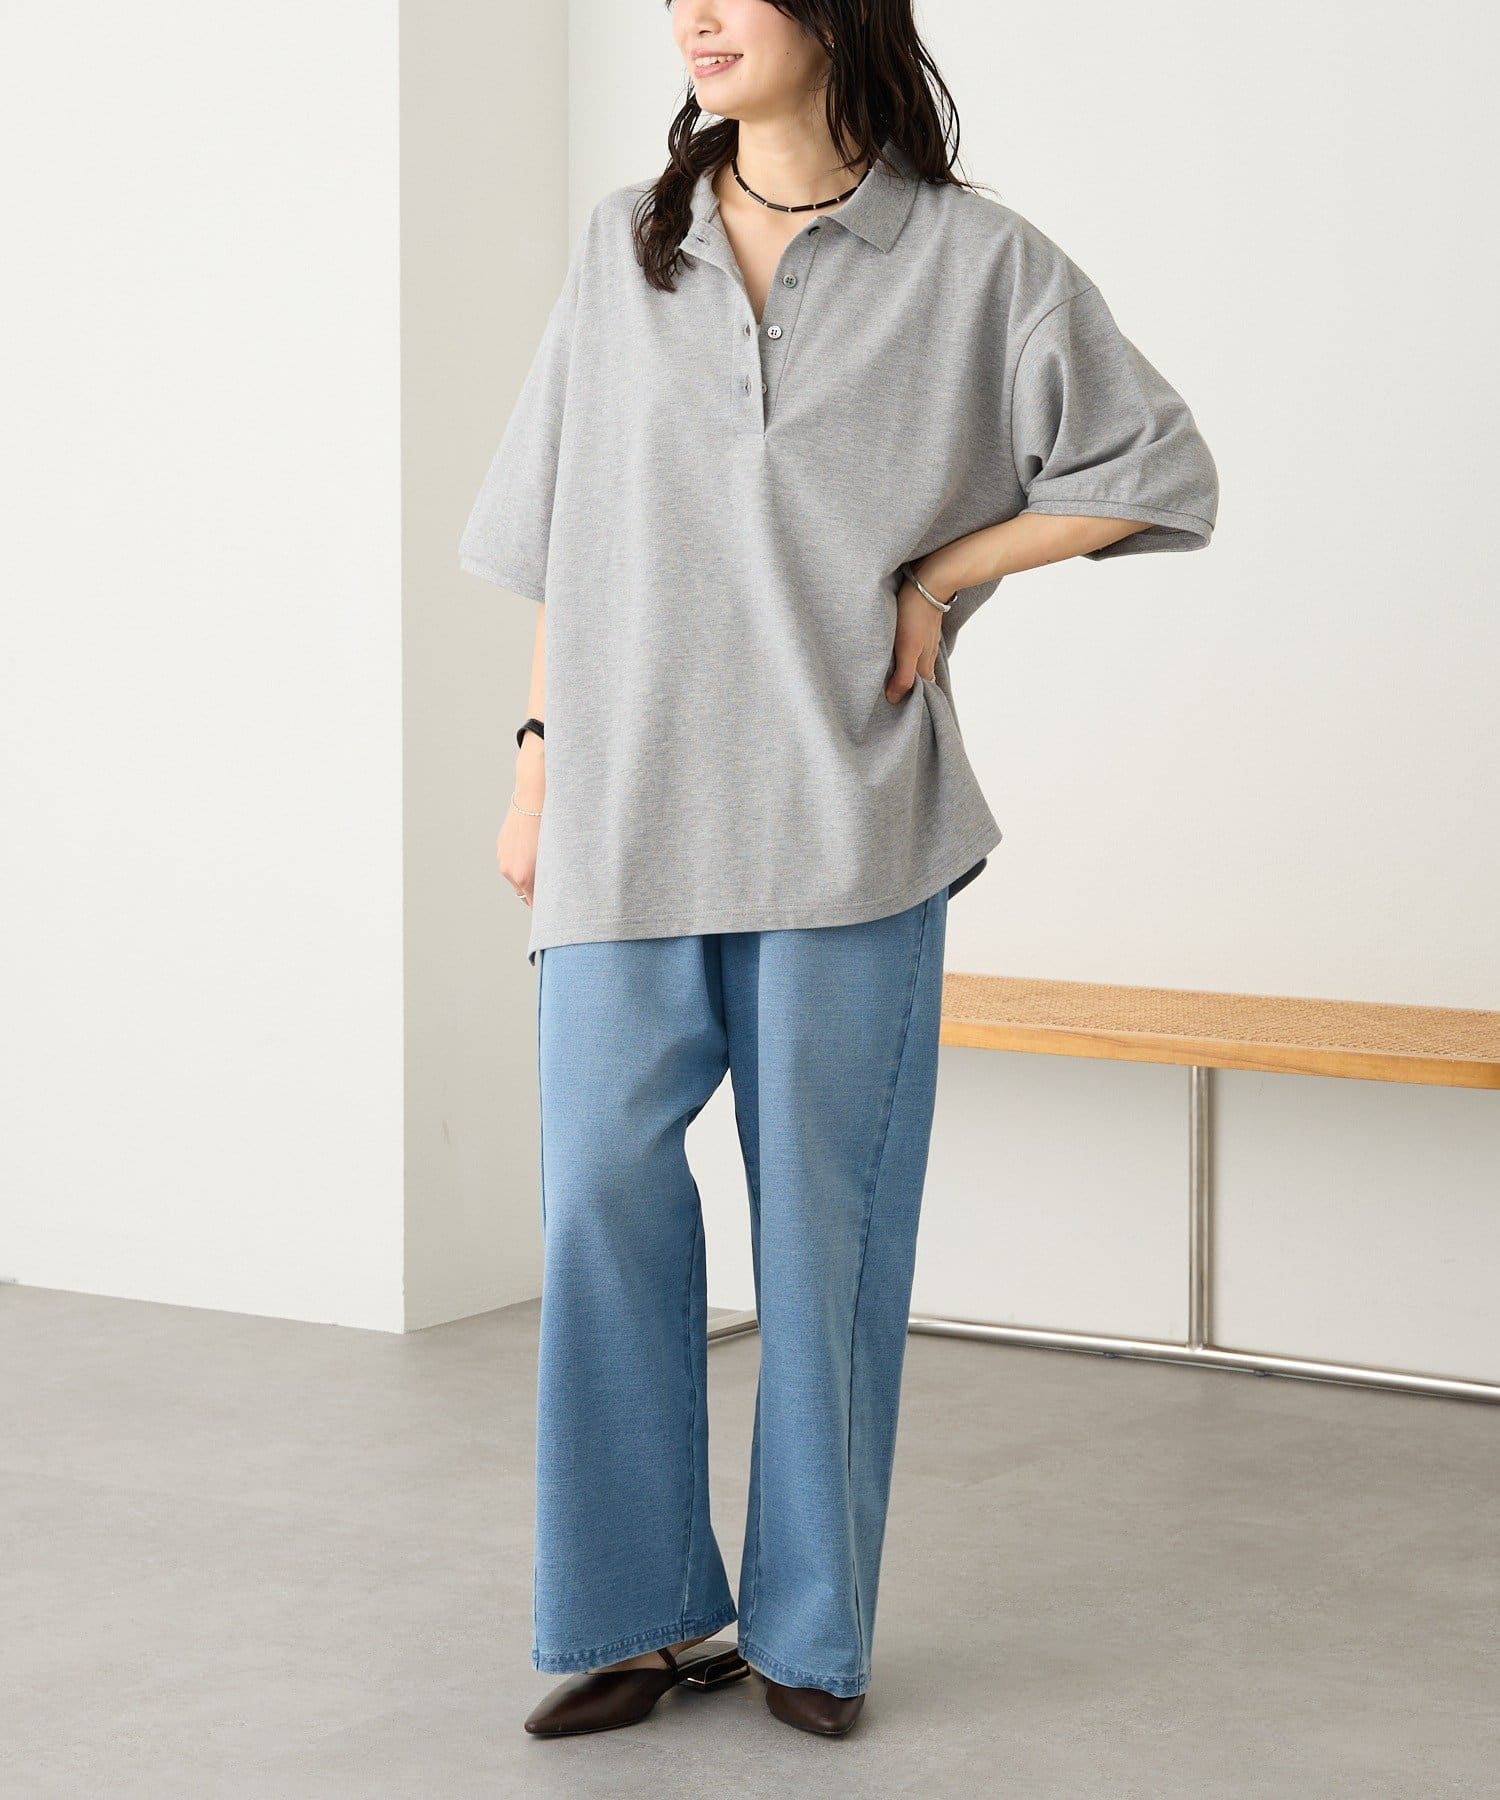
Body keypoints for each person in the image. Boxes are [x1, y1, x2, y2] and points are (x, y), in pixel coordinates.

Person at [458, 0, 1218, 1742]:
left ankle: (811, 1631)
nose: (697, 13)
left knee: (825, 1238)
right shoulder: (626, 247)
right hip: (624, 815)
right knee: (596, 1202)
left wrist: (946, 572)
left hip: (850, 824)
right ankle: (639, 1611)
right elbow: (570, 530)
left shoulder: (973, 262)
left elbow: (1156, 466)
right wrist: (536, 757)